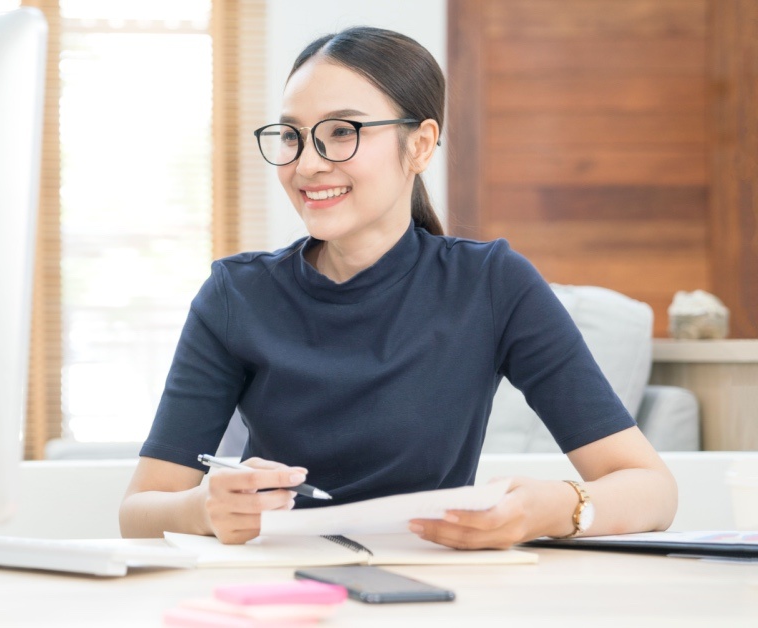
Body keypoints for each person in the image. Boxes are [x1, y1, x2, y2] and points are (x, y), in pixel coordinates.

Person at [118, 26, 677, 549]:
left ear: (421, 145)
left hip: (440, 589)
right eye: (292, 136)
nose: (308, 163)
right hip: (283, 587)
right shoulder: (235, 296)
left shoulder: (490, 284)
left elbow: (653, 490)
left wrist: (550, 509)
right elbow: (139, 511)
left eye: (342, 131)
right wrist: (203, 510)